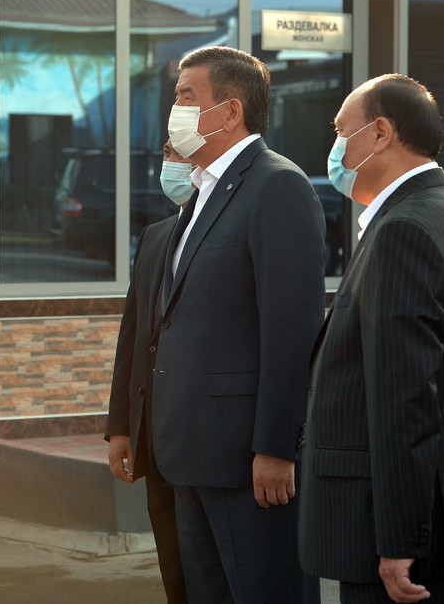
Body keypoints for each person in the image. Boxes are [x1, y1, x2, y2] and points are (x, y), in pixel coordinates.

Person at [299, 74, 444, 603]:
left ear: (380, 133)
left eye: (342, 132)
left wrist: (400, 540)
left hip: (409, 547)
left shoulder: (405, 229)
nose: (335, 147)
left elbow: (405, 398)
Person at [152, 46, 327, 602]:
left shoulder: (277, 185)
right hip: (190, 453)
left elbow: (292, 330)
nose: (175, 109)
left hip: (246, 463)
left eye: (186, 97)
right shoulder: (201, 192)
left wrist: (277, 447)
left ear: (229, 112)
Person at [107, 140, 194, 604]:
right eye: (166, 154)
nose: (169, 165)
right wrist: (121, 427)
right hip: (153, 440)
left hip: (204, 437)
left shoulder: (233, 229)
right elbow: (134, 336)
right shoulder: (156, 235)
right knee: (175, 573)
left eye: (180, 154)